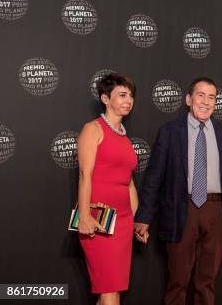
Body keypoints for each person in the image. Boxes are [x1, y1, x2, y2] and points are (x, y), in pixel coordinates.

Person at [134, 76, 222, 305]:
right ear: (188, 99)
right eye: (200, 95)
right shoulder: (170, 132)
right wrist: (143, 217)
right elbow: (154, 177)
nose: (206, 101)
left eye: (211, 97)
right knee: (178, 281)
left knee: (207, 281)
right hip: (181, 209)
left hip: (216, 210)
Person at [77, 73, 139, 305]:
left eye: (131, 96)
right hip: (98, 218)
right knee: (110, 290)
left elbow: (130, 183)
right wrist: (84, 215)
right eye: (122, 95)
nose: (128, 100)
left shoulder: (125, 138)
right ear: (105, 98)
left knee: (112, 290)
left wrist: (135, 219)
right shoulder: (93, 129)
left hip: (123, 222)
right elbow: (85, 175)